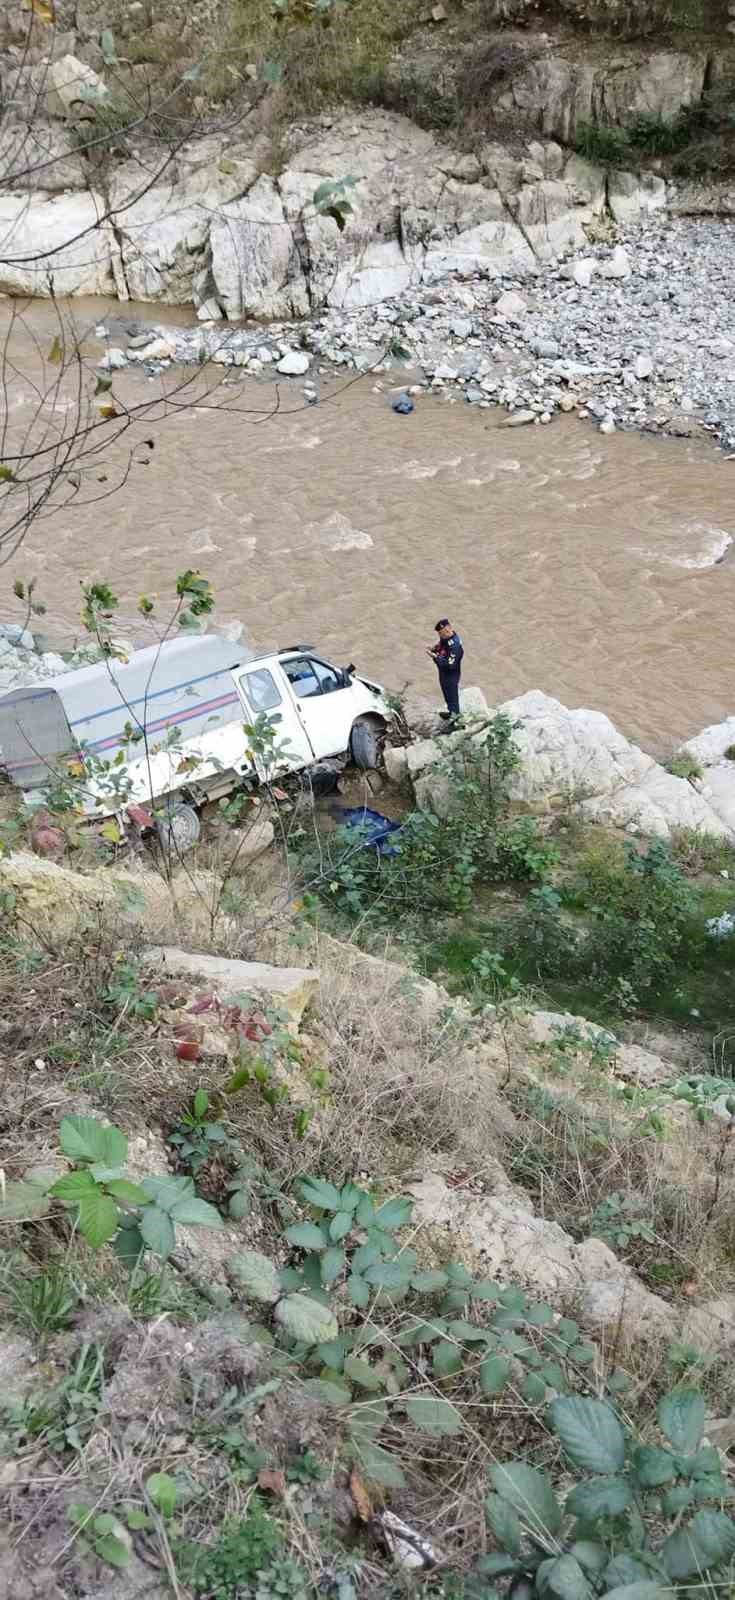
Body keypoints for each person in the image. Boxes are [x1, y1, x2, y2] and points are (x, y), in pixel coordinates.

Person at [428, 618, 464, 720]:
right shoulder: (445, 639)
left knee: (452, 696)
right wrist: (434, 649)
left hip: (451, 674)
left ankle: (455, 719)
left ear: (448, 630)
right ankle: (451, 712)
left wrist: (435, 657)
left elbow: (450, 664)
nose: (440, 636)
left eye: (441, 633)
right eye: (439, 634)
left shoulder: (455, 645)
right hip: (444, 673)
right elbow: (441, 646)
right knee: (447, 694)